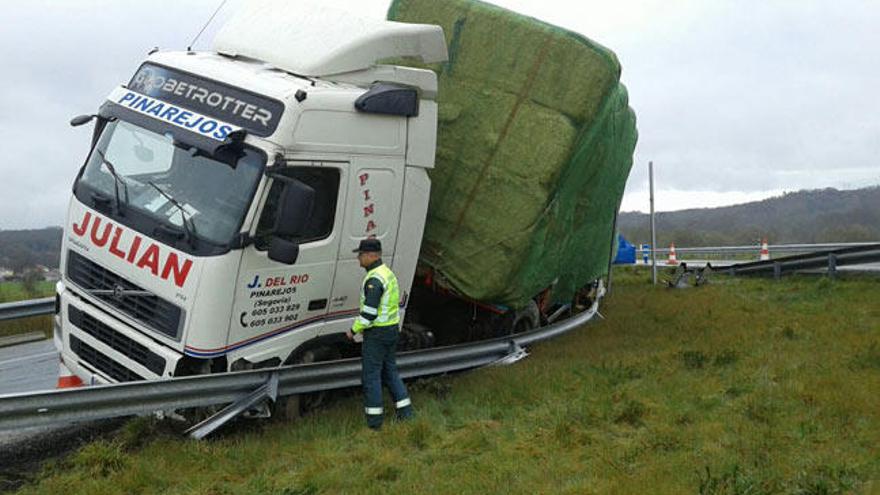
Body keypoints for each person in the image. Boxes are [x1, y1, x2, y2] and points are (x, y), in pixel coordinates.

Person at [346, 238, 414, 429]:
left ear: (370, 256)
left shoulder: (374, 279)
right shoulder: (387, 273)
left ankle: (374, 423)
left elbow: (368, 314)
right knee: (390, 371)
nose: (358, 259)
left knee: (371, 377)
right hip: (392, 329)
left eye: (360, 255)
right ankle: (406, 414)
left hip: (377, 334)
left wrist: (353, 331)